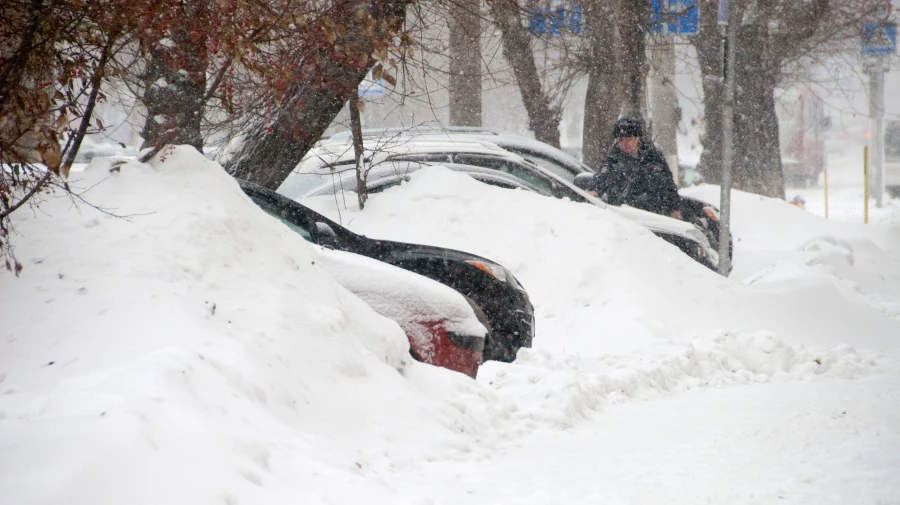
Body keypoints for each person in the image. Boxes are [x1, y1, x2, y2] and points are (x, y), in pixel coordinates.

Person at [586, 117, 683, 220]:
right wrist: (594, 190)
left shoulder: (654, 158)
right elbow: (602, 176)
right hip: (624, 217)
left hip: (654, 217)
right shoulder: (613, 160)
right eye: (620, 140)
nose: (624, 143)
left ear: (637, 139)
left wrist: (675, 208)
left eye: (628, 139)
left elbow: (668, 184)